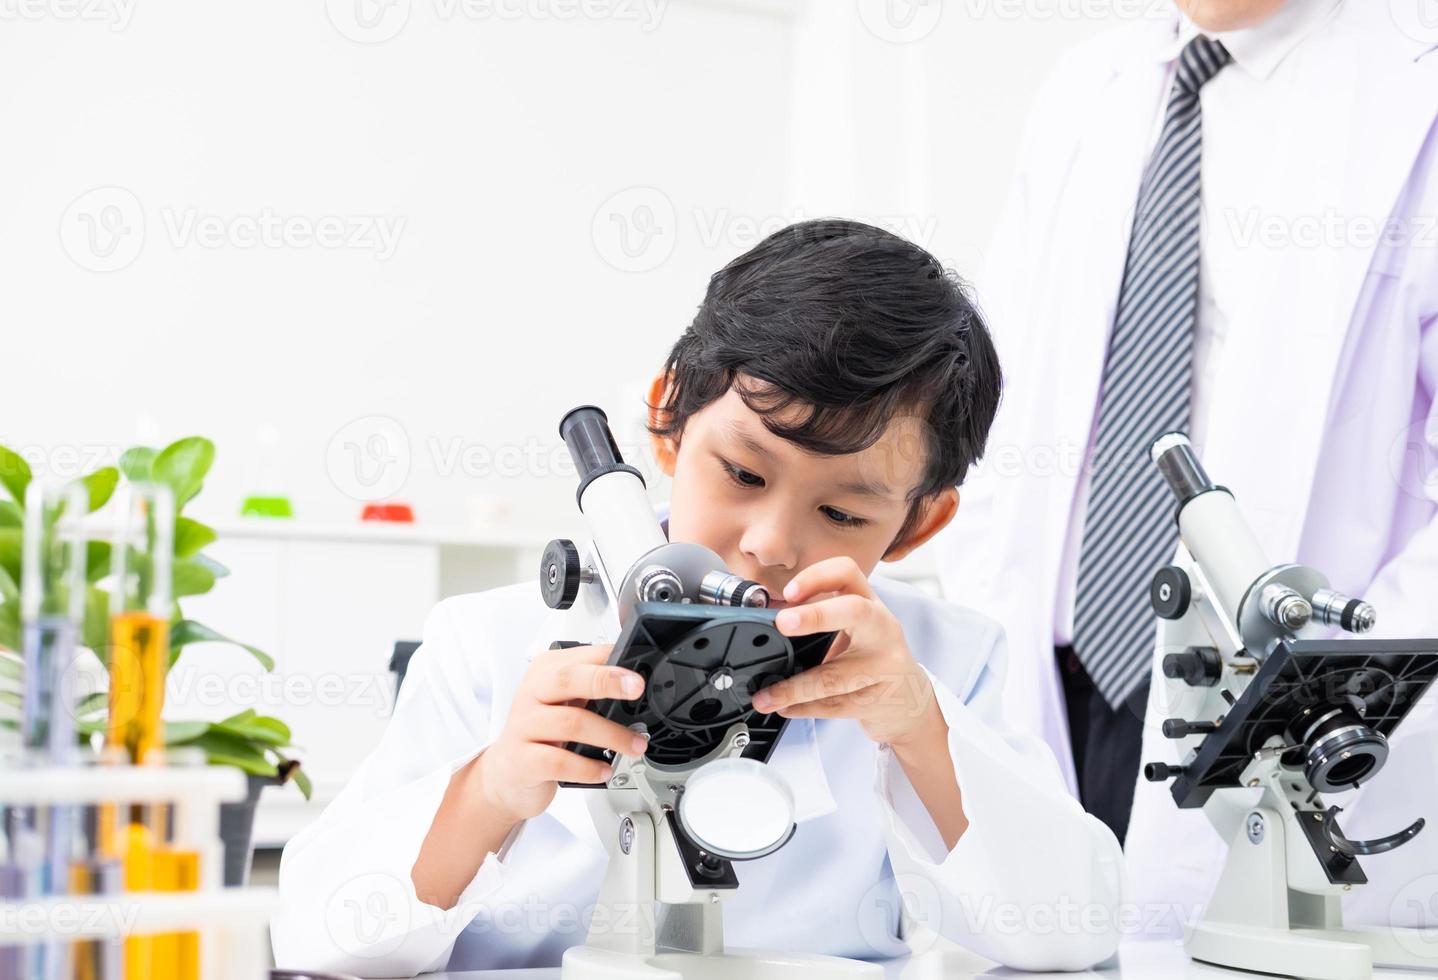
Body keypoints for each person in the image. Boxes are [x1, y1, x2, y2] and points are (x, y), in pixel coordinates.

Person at [272, 220, 1123, 975]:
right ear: (668, 418)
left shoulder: (944, 659)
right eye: (743, 473)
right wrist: (493, 788)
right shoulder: (489, 643)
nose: (771, 543)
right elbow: (320, 935)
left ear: (918, 525)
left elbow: (1069, 933)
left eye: (842, 511)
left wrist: (918, 725)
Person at [934, 0, 1438, 932]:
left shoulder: (1417, 82)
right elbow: (1002, 397)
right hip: (1057, 679)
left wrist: (1348, 684)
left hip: (1292, 697)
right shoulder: (1089, 84)